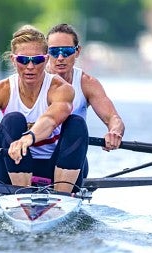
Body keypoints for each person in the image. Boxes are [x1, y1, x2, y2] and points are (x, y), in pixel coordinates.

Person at [0, 25, 89, 193]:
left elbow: (50, 120)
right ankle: (21, 195)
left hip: (57, 170)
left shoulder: (61, 89)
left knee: (76, 123)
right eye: (23, 60)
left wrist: (28, 138)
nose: (30, 66)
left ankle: (63, 196)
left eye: (37, 60)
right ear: (13, 60)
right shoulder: (1, 90)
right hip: (13, 170)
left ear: (46, 59)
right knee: (13, 120)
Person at [46, 23, 125, 177]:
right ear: (46, 53)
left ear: (77, 52)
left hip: (72, 160)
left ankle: (65, 190)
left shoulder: (87, 84)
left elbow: (113, 118)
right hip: (35, 156)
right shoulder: (34, 80)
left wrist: (115, 132)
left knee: (75, 122)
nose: (60, 57)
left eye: (67, 51)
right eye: (54, 52)